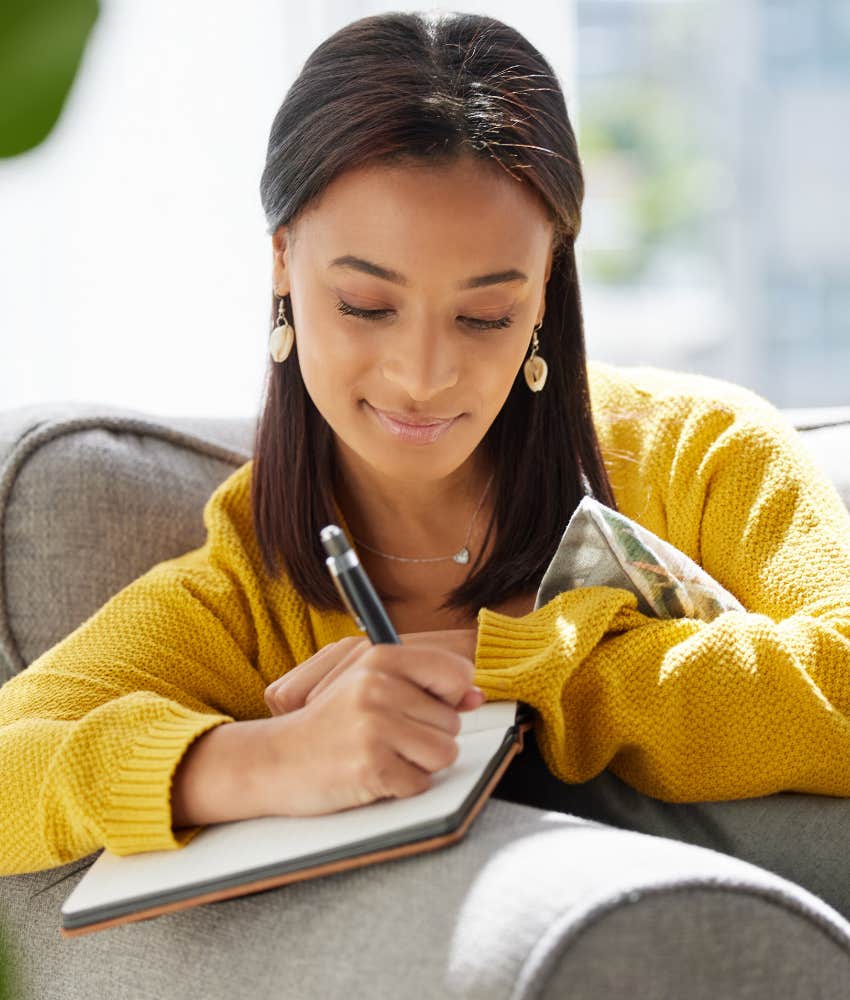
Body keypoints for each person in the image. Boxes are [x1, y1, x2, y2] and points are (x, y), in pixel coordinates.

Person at [2, 10, 850, 882]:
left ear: (548, 283)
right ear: (283, 263)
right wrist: (265, 761)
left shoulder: (699, 457)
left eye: (486, 316)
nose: (424, 376)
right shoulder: (244, 598)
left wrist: (515, 672)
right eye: (367, 305)